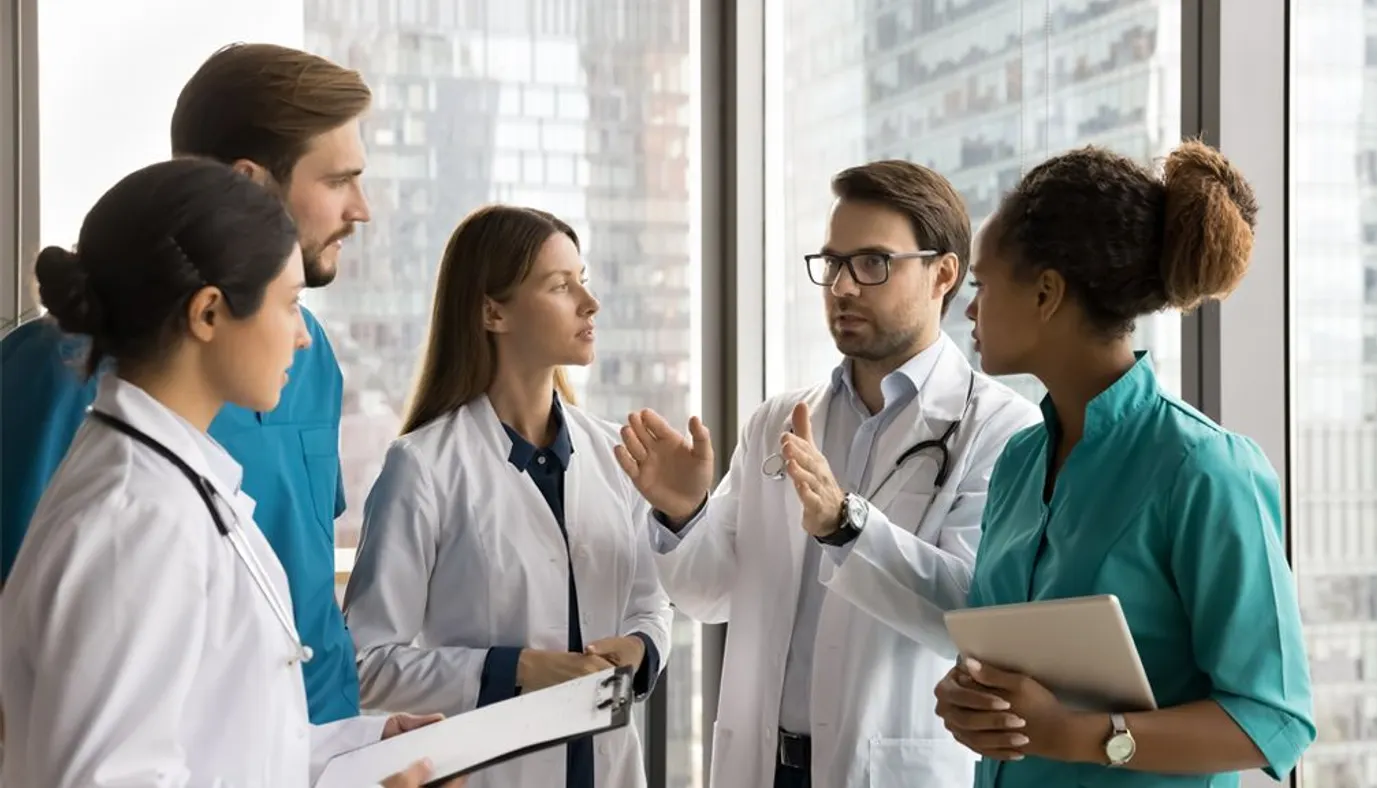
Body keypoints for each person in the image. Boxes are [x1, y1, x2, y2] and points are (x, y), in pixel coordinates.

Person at [0, 158, 457, 788]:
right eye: (290, 304)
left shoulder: (180, 486)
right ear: (209, 313)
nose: (303, 337)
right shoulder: (137, 520)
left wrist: (361, 748)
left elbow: (227, 744)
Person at [612, 161, 1041, 788]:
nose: (841, 287)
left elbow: (971, 614)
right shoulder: (779, 420)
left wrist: (848, 526)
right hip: (762, 764)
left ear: (942, 274)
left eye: (872, 263)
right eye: (832, 263)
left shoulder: (1001, 429)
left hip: (888, 768)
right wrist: (683, 511)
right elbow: (713, 593)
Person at [0, 42, 371, 724]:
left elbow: (308, 592)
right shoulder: (61, 370)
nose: (362, 208)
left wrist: (352, 748)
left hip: (321, 750)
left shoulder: (307, 357)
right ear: (250, 183)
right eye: (339, 180)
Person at [932, 141, 1316, 786]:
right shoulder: (1020, 461)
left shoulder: (1205, 469)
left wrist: (1079, 736)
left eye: (983, 285)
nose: (970, 310)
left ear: (1047, 293)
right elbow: (1009, 668)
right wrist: (967, 697)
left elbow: (1272, 719)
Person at [342, 205, 672, 788]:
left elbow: (651, 601)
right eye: (560, 286)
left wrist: (641, 648)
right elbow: (366, 664)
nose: (589, 304)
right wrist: (513, 669)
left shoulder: (614, 455)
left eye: (584, 281)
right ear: (494, 311)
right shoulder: (422, 466)